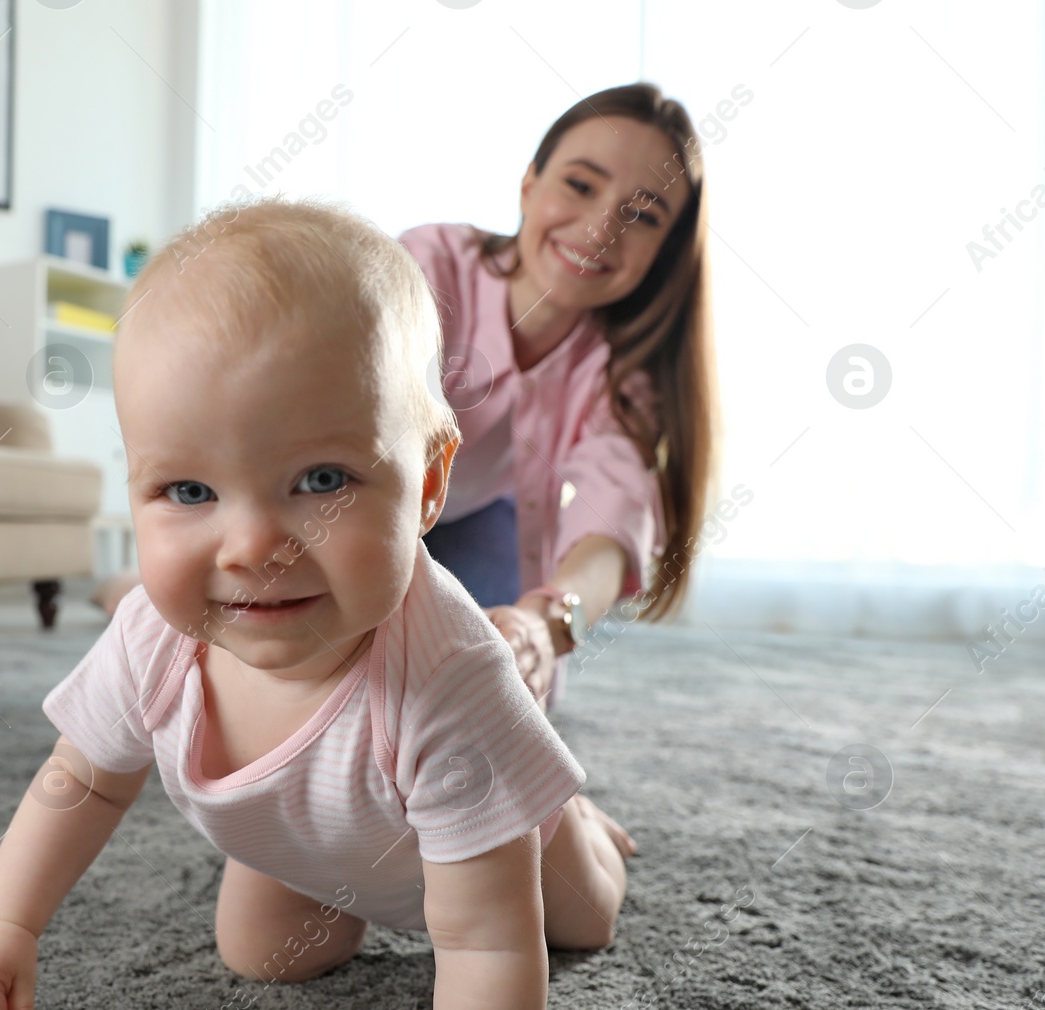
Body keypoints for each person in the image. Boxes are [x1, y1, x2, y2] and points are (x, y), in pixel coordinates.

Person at [0, 196, 630, 1010]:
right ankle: (331, 859)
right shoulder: (154, 634)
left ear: (428, 485)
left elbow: (486, 944)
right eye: (189, 491)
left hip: (503, 853)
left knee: (577, 922)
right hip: (328, 843)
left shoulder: (446, 681)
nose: (252, 544)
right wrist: (1, 923)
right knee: (261, 956)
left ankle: (574, 816)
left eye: (321, 481)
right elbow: (82, 777)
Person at [94, 81, 719, 715]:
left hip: (473, 513)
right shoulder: (430, 265)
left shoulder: (623, 370)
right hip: (352, 497)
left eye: (641, 215)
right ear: (529, 187)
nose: (600, 227)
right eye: (580, 186)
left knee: (471, 660)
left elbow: (611, 515)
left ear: (665, 251)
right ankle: (134, 595)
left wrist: (547, 622)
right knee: (275, 617)